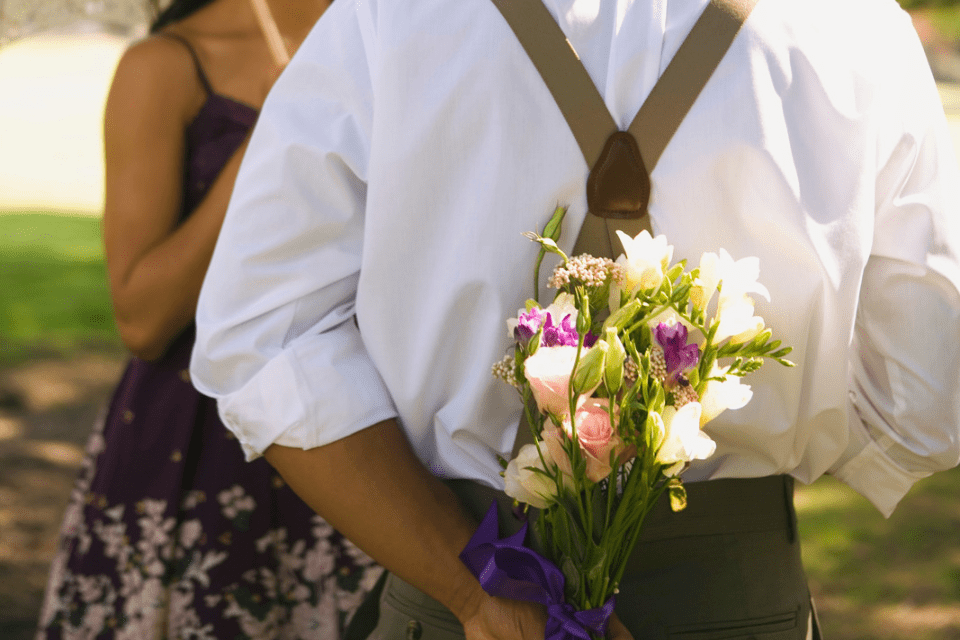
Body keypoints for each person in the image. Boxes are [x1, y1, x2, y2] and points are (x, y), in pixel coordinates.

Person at [190, 0, 960, 639]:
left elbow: (261, 338)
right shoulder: (853, 23)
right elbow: (923, 405)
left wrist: (473, 594)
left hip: (465, 593)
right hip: (734, 603)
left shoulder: (387, 14)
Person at [36, 1, 384, 638]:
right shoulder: (167, 64)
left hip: (377, 434)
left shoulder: (398, 31)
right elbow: (142, 320)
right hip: (203, 449)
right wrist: (272, 136)